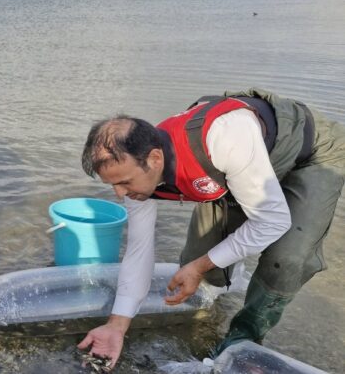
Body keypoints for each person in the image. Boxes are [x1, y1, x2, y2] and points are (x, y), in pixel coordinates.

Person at [78, 88, 345, 368]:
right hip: (242, 167)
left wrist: (200, 266)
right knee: (202, 265)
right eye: (113, 185)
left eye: (124, 183)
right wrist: (117, 325)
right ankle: (231, 279)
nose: (120, 193)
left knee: (288, 258)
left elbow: (272, 222)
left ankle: (244, 337)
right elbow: (138, 250)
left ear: (155, 159)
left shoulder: (223, 140)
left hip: (310, 153)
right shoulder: (136, 175)